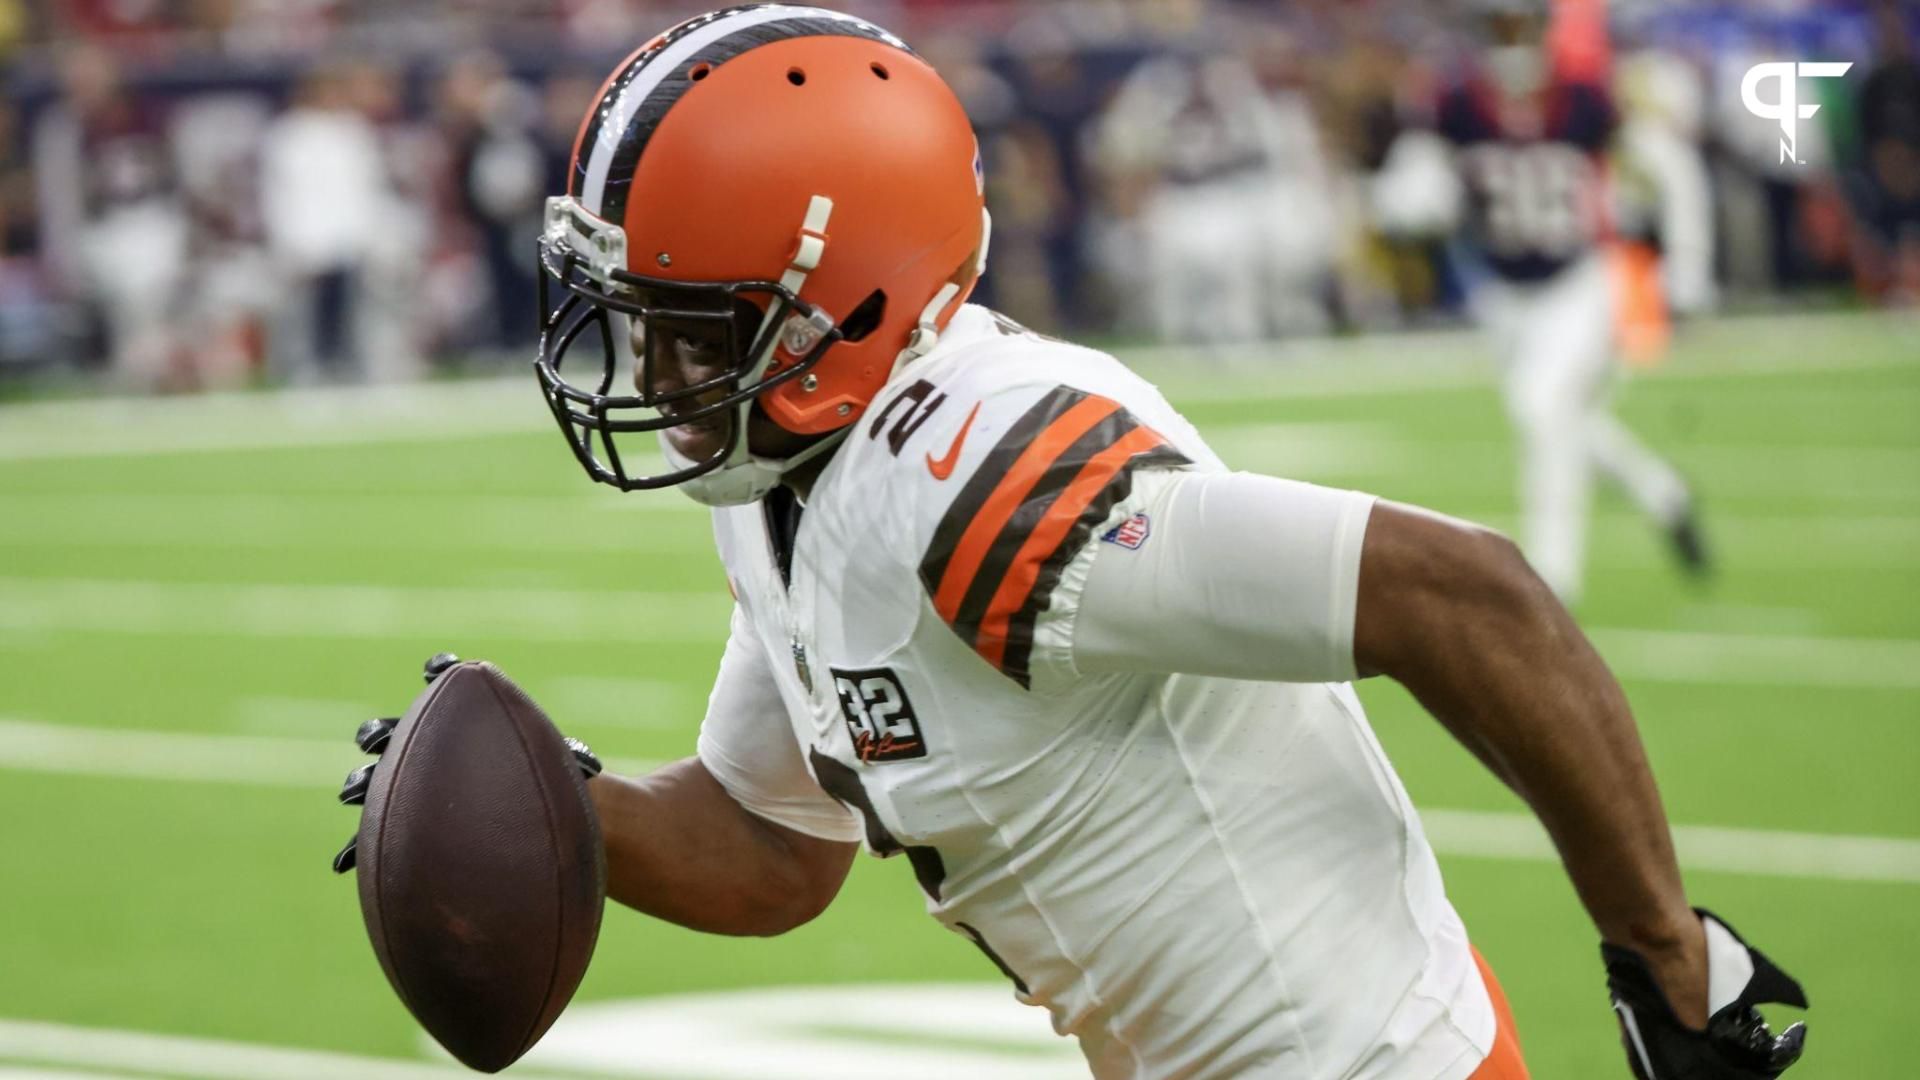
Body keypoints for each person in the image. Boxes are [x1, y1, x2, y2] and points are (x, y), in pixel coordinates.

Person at [335, 7, 1807, 1078]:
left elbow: (1468, 595)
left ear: (841, 305)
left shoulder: (990, 480)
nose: (650, 374)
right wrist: (553, 811)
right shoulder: (795, 479)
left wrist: (1669, 960)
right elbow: (773, 843)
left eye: (687, 326)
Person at [1369, 0, 1708, 604]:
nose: (1511, 41)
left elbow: (1671, 166)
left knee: (1540, 407)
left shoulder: (1584, 101)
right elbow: (1409, 178)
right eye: (1500, 27)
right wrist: (1410, 201)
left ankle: (1553, 586)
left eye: (1520, 26)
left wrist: (1685, 266)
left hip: (1577, 282)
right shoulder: (1456, 103)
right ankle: (1663, 493)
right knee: (1561, 417)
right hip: (1501, 294)